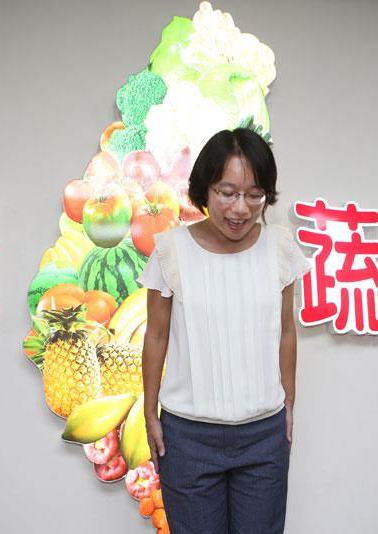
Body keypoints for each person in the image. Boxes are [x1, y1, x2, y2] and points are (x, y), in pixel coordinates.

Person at [136, 127, 311, 534]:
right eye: (227, 193)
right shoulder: (170, 250)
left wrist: (288, 403)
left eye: (254, 195)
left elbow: (286, 331)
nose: (241, 209)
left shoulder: (280, 247)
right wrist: (150, 411)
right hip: (189, 437)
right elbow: (156, 336)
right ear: (204, 189)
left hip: (263, 436)